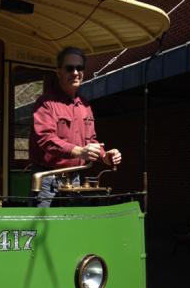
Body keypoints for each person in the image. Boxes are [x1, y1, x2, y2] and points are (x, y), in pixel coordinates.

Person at [29, 46, 121, 207]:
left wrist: (104, 156)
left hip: (75, 180)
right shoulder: (45, 103)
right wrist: (79, 151)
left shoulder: (85, 105)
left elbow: (91, 141)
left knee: (72, 229)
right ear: (59, 72)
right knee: (46, 231)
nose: (75, 72)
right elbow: (45, 139)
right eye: (69, 68)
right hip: (47, 181)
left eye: (79, 68)